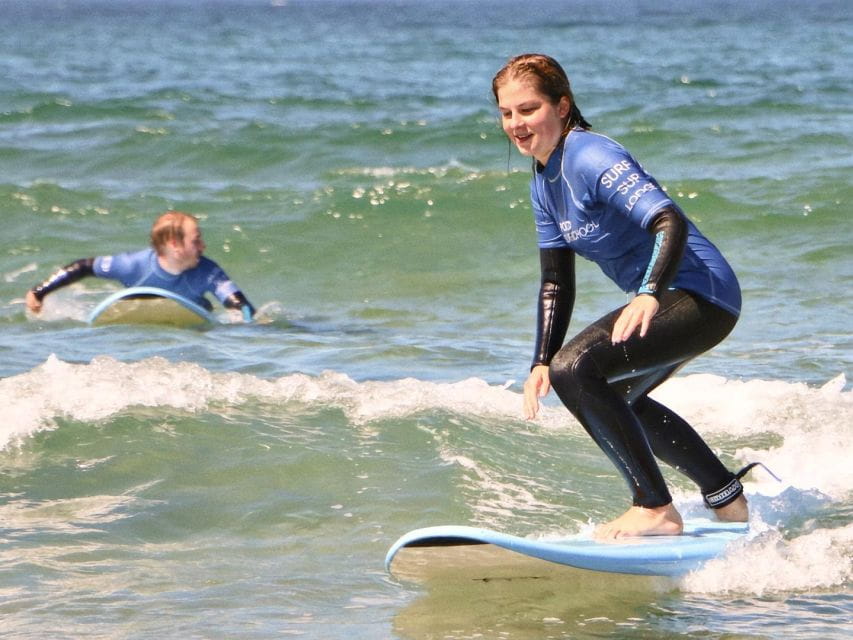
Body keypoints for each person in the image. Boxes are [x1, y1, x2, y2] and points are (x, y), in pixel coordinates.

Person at [493, 53, 751, 538]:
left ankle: (654, 507)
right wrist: (540, 360)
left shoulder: (591, 156)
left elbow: (667, 220)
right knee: (614, 395)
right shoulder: (543, 181)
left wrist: (649, 292)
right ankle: (726, 497)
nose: (516, 124)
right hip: (676, 298)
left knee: (577, 369)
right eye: (506, 113)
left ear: (561, 106)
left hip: (701, 294)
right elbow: (555, 280)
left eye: (528, 109)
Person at [26, 210, 255, 320]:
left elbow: (242, 306)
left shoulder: (208, 270)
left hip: (193, 328)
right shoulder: (132, 265)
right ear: (175, 245)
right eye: (196, 241)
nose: (203, 246)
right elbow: (84, 266)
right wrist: (39, 292)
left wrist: (249, 325)